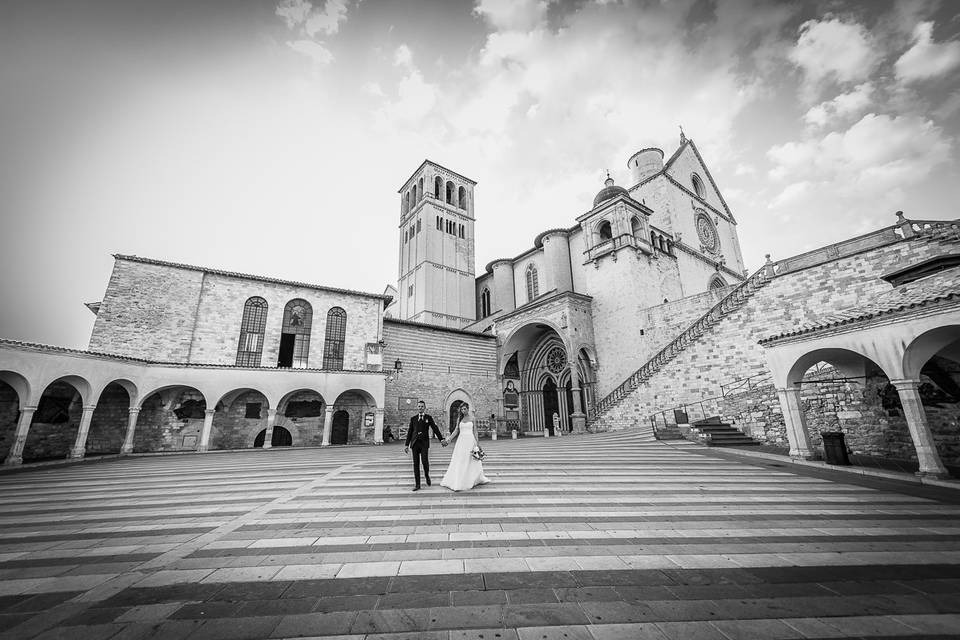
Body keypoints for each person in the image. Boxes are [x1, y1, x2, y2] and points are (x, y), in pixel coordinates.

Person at [440, 402, 490, 491]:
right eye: (462, 409)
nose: (463, 411)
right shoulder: (459, 419)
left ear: (468, 408)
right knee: (460, 459)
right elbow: (456, 431)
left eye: (465, 409)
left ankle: (471, 478)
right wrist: (449, 440)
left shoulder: (472, 418)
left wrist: (477, 444)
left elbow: (475, 431)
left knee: (470, 460)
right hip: (461, 441)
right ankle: (460, 479)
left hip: (470, 440)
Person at [404, 400, 445, 491]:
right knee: (416, 464)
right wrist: (407, 444)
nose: (420, 408)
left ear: (424, 407)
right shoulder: (413, 419)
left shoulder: (428, 418)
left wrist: (441, 439)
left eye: (422, 406)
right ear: (417, 407)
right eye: (419, 406)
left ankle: (426, 475)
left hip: (424, 444)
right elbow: (410, 432)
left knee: (424, 461)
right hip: (414, 443)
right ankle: (417, 484)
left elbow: (435, 428)